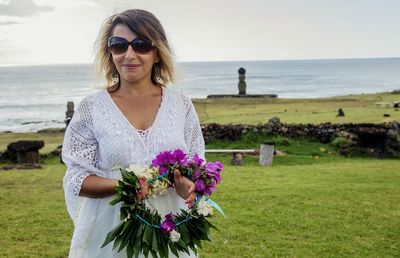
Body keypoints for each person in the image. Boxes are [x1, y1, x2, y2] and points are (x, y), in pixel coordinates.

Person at [62, 9, 205, 258]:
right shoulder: (91, 107)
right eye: (119, 45)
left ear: (157, 52)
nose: (129, 55)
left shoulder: (180, 104)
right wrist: (124, 186)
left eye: (141, 45)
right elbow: (76, 178)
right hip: (111, 232)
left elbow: (195, 164)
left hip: (169, 232)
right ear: (110, 52)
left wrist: (186, 183)